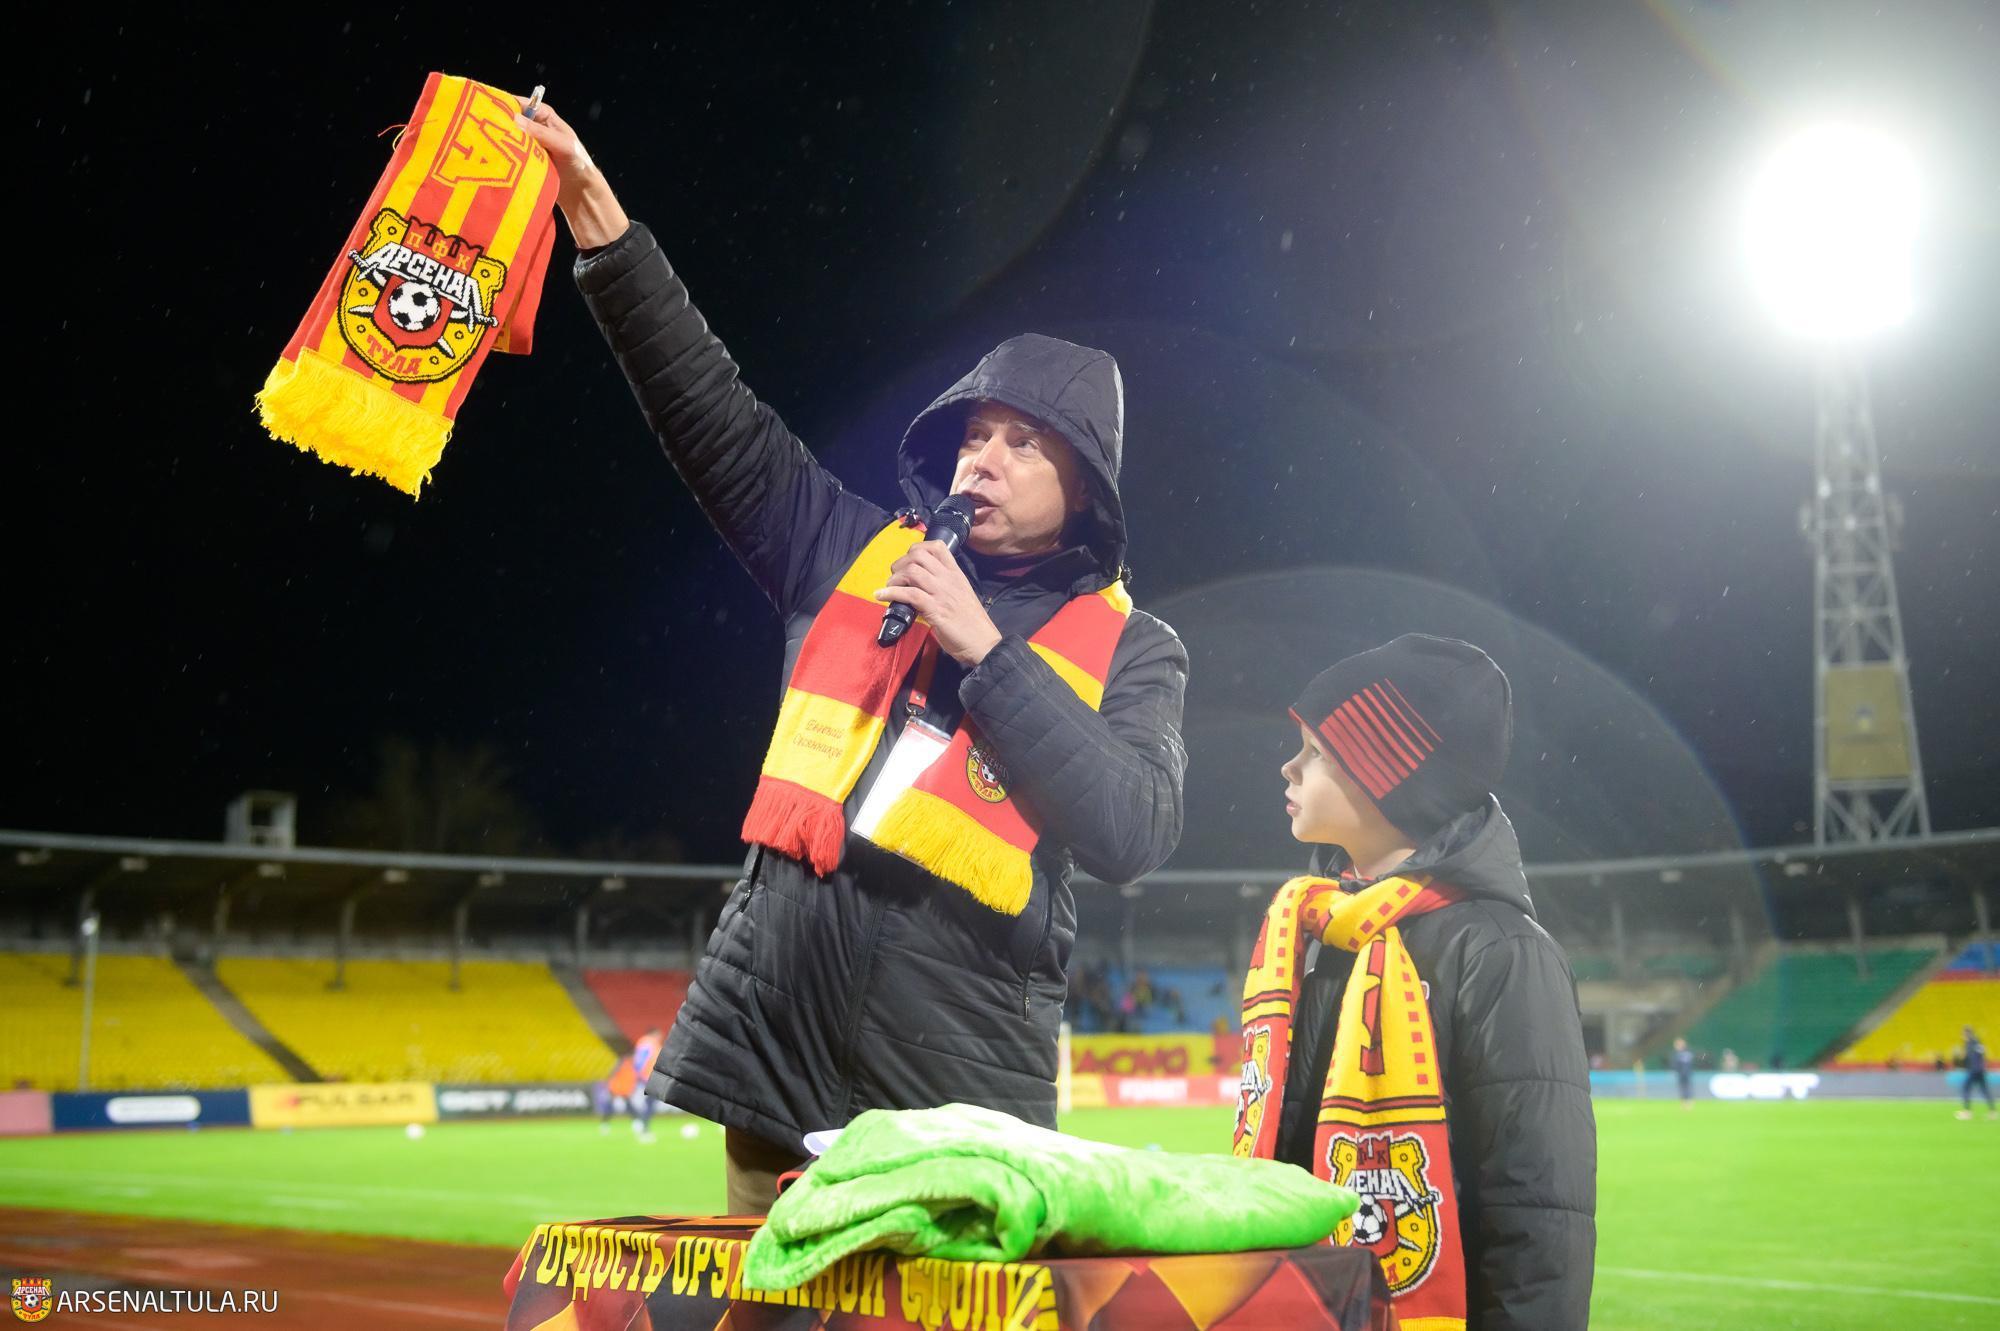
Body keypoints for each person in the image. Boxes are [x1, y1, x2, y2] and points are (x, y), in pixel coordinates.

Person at [518, 97, 1189, 1216]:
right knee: (763, 1297)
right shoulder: (847, 550)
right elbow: (714, 415)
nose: (983, 458)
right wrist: (599, 221)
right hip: (771, 1051)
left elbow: (1134, 829)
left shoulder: (1137, 646)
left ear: (1086, 491)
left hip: (953, 1085)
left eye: (1024, 443)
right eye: (975, 433)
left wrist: (987, 653)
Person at [1234, 635, 1595, 1330]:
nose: (1289, 766)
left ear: (1386, 776)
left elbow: (1539, 1218)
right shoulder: (1328, 934)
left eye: (1316, 751)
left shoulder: (1502, 951)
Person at [596, 1026, 665, 1141]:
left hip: (635, 1083)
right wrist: (641, 1076)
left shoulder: (651, 1044)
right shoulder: (647, 1043)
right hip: (642, 1079)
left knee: (634, 1104)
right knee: (645, 1103)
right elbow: (640, 1062)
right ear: (654, 1033)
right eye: (659, 1034)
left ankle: (640, 1124)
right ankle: (642, 1127)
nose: (661, 1036)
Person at [1957, 1025, 1993, 1121]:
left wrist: (1962, 1056)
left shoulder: (1968, 1044)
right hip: (1981, 1069)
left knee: (1966, 1088)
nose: (1962, 1036)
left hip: (1973, 1070)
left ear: (1967, 1034)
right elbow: (1983, 1055)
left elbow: (1967, 1057)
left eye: (1963, 1034)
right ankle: (1992, 1111)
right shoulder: (1977, 1042)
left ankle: (1967, 1112)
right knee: (1984, 1090)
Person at [1671, 1037, 1696, 1109]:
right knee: (1684, 1088)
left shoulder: (1683, 1053)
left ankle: (1688, 1102)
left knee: (1686, 1087)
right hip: (1683, 1073)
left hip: (1686, 1073)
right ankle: (1685, 1102)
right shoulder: (1681, 1053)